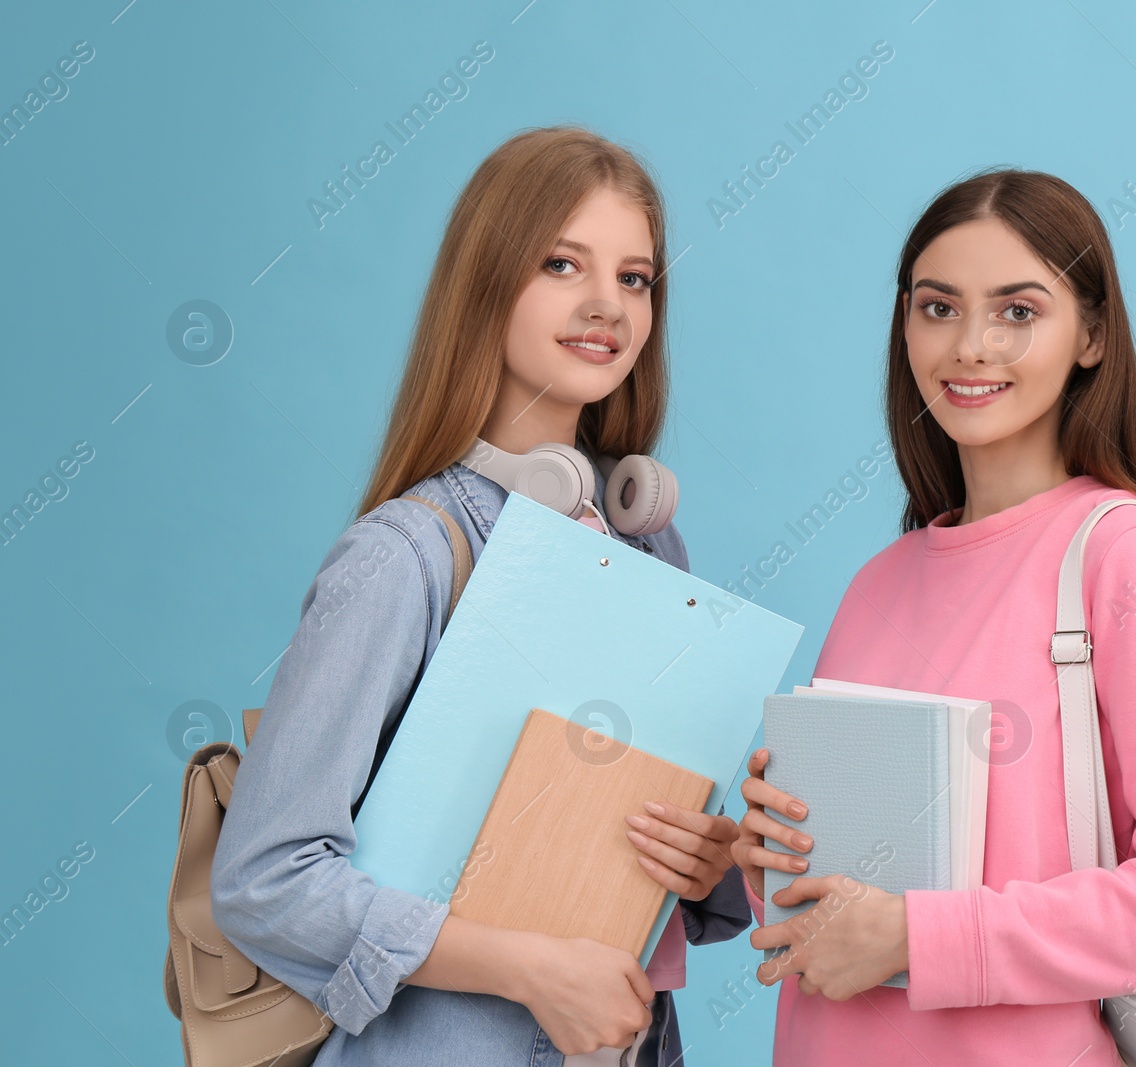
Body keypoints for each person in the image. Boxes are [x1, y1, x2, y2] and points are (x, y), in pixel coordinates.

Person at [211, 125, 749, 1067]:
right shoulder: (404, 555)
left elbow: (637, 851)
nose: (606, 305)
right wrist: (526, 968)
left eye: (635, 278)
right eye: (561, 263)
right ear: (489, 281)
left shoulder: (652, 545)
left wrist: (707, 864)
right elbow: (265, 879)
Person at [731, 168, 1136, 1066]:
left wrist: (921, 937)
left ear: (1091, 336)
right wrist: (773, 860)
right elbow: (846, 908)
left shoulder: (1125, 556)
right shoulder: (879, 581)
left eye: (1018, 311)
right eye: (938, 308)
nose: (970, 346)